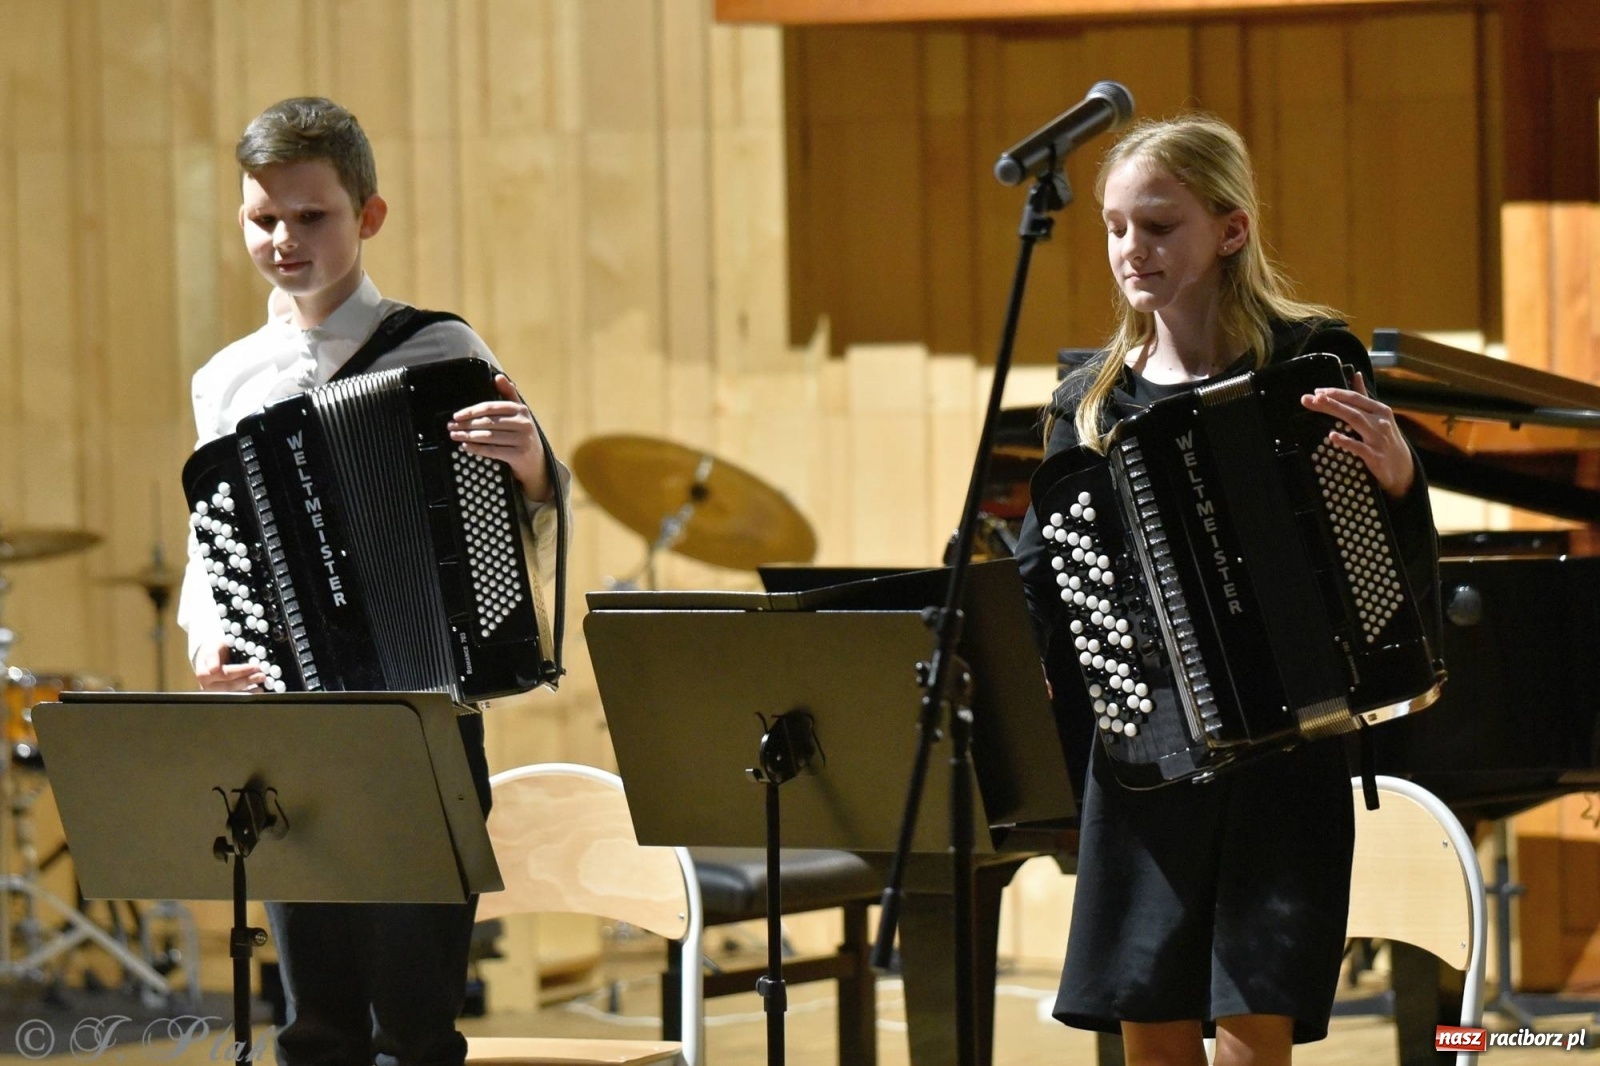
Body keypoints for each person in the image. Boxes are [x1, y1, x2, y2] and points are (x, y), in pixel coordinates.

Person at [1015, 113, 1440, 1066]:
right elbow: (1043, 581)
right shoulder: (1092, 403)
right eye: (1115, 228)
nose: (1132, 249)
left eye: (1159, 226)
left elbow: (1380, 566)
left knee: (1256, 1040)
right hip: (1147, 763)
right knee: (1156, 1041)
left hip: (1288, 758)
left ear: (1231, 229)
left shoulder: (1309, 363)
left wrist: (1401, 481)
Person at [175, 97, 567, 1066]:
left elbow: (527, 513)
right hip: (290, 732)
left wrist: (531, 465)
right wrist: (211, 640)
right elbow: (210, 546)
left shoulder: (444, 350)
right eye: (264, 218)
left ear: (369, 215)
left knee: (414, 1029)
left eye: (311, 216)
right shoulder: (226, 379)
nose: (284, 239)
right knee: (313, 1026)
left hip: (421, 725)